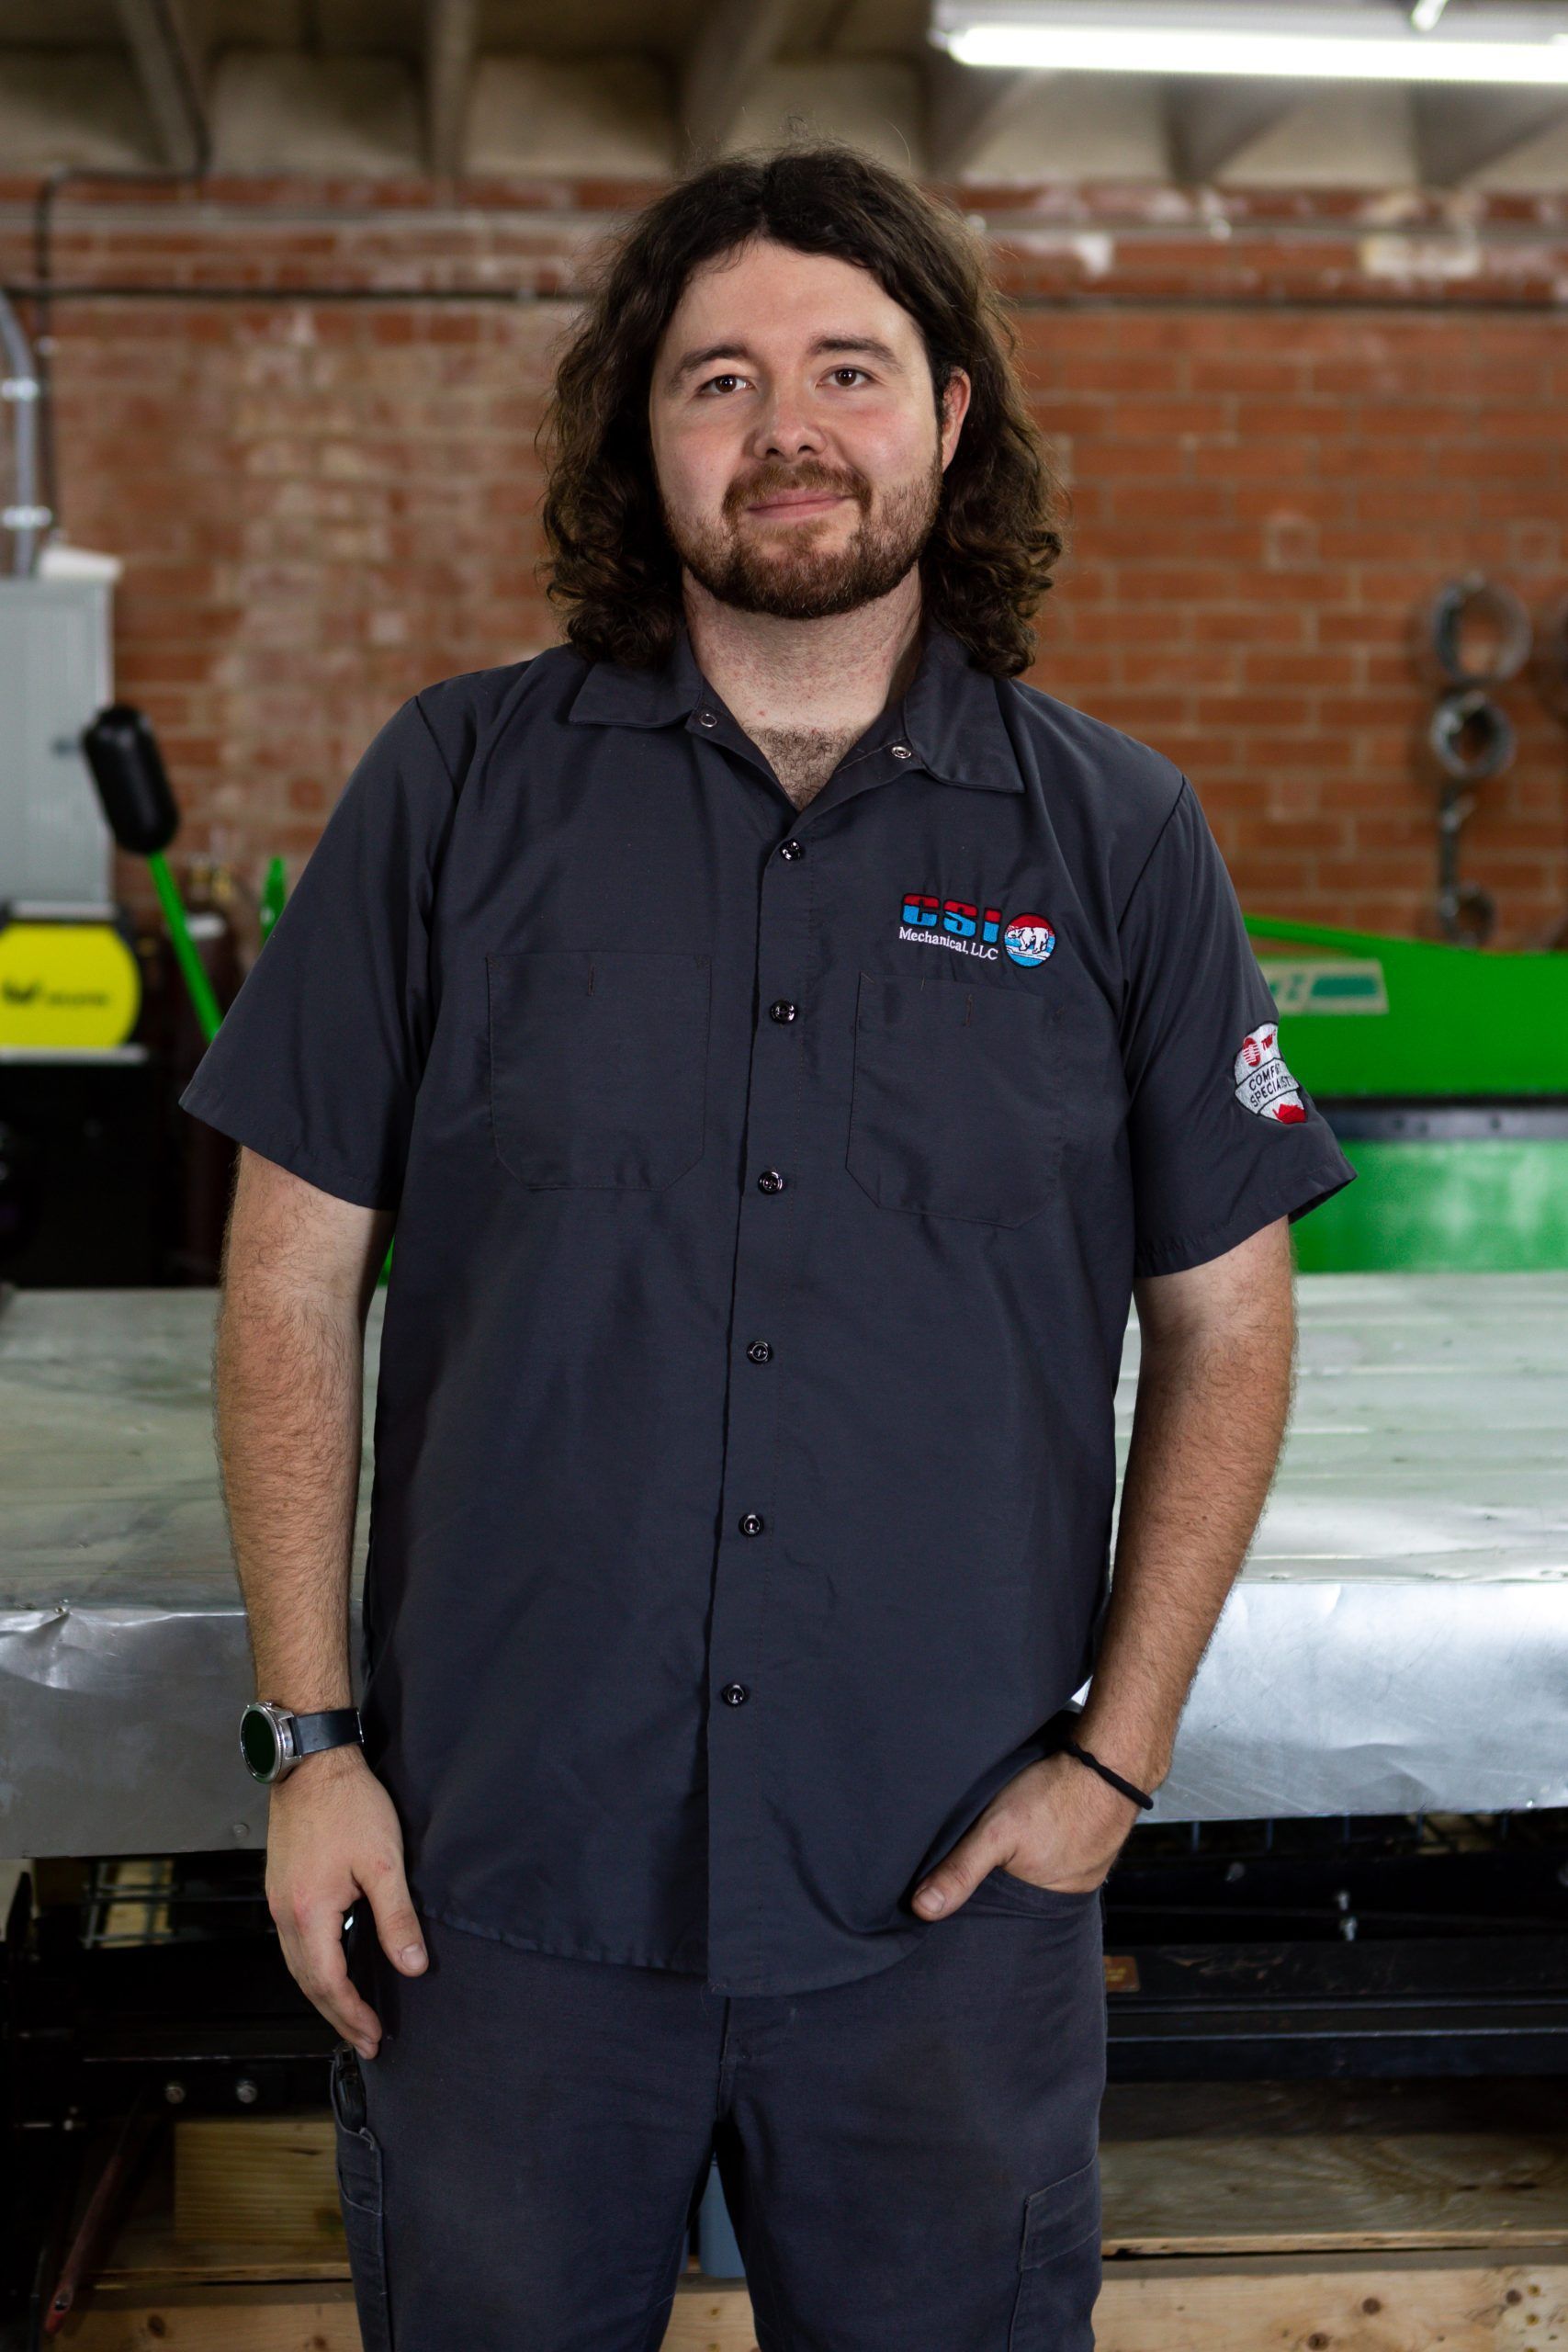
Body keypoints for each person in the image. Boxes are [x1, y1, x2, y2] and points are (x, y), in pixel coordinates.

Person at [181, 140, 1357, 2352]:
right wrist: (307, 1743)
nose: (785, 427)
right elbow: (285, 1275)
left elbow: (1225, 1316)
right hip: (495, 1898)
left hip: (939, 1899)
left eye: (846, 367)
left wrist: (1112, 1759)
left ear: (946, 417)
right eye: (717, 379)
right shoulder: (448, 794)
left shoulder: (1115, 838)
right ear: (643, 437)